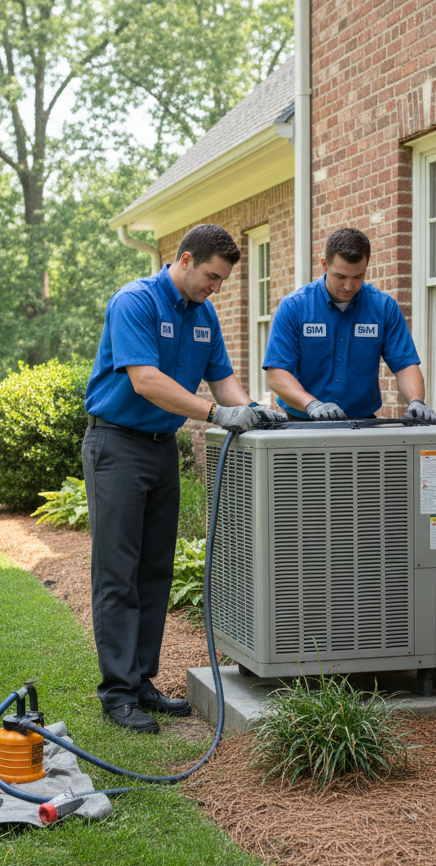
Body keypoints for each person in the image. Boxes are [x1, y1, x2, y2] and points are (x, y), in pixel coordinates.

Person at [83, 223, 286, 733]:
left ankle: (142, 680)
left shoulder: (204, 315)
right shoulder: (135, 302)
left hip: (160, 450)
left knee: (155, 569)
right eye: (211, 277)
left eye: (221, 281)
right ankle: (117, 693)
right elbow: (145, 380)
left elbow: (223, 379)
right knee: (118, 572)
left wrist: (258, 411)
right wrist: (216, 415)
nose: (214, 288)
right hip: (117, 445)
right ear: (186, 259)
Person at [263, 227, 436, 424]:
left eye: (358, 277)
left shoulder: (383, 307)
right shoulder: (294, 307)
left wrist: (416, 401)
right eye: (340, 277)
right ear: (324, 265)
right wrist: (312, 404)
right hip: (303, 420)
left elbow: (405, 364)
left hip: (363, 423)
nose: (349, 286)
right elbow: (277, 374)